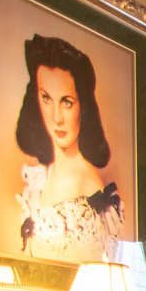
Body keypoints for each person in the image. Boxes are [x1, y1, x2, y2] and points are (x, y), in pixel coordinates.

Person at [13, 34, 125, 262]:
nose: (56, 117)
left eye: (66, 102)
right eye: (46, 98)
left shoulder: (89, 185)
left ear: (82, 107)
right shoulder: (38, 177)